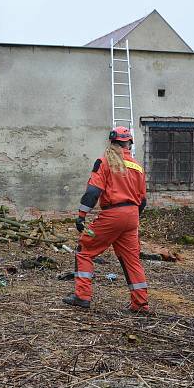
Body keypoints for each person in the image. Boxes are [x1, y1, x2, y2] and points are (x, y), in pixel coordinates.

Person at [63, 127, 149, 312]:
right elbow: (143, 201)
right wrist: (130, 219)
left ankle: (82, 296)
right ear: (129, 143)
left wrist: (81, 215)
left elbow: (93, 192)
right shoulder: (137, 166)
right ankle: (140, 304)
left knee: (84, 250)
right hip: (132, 215)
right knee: (132, 260)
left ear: (111, 142)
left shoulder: (104, 161)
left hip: (113, 214)